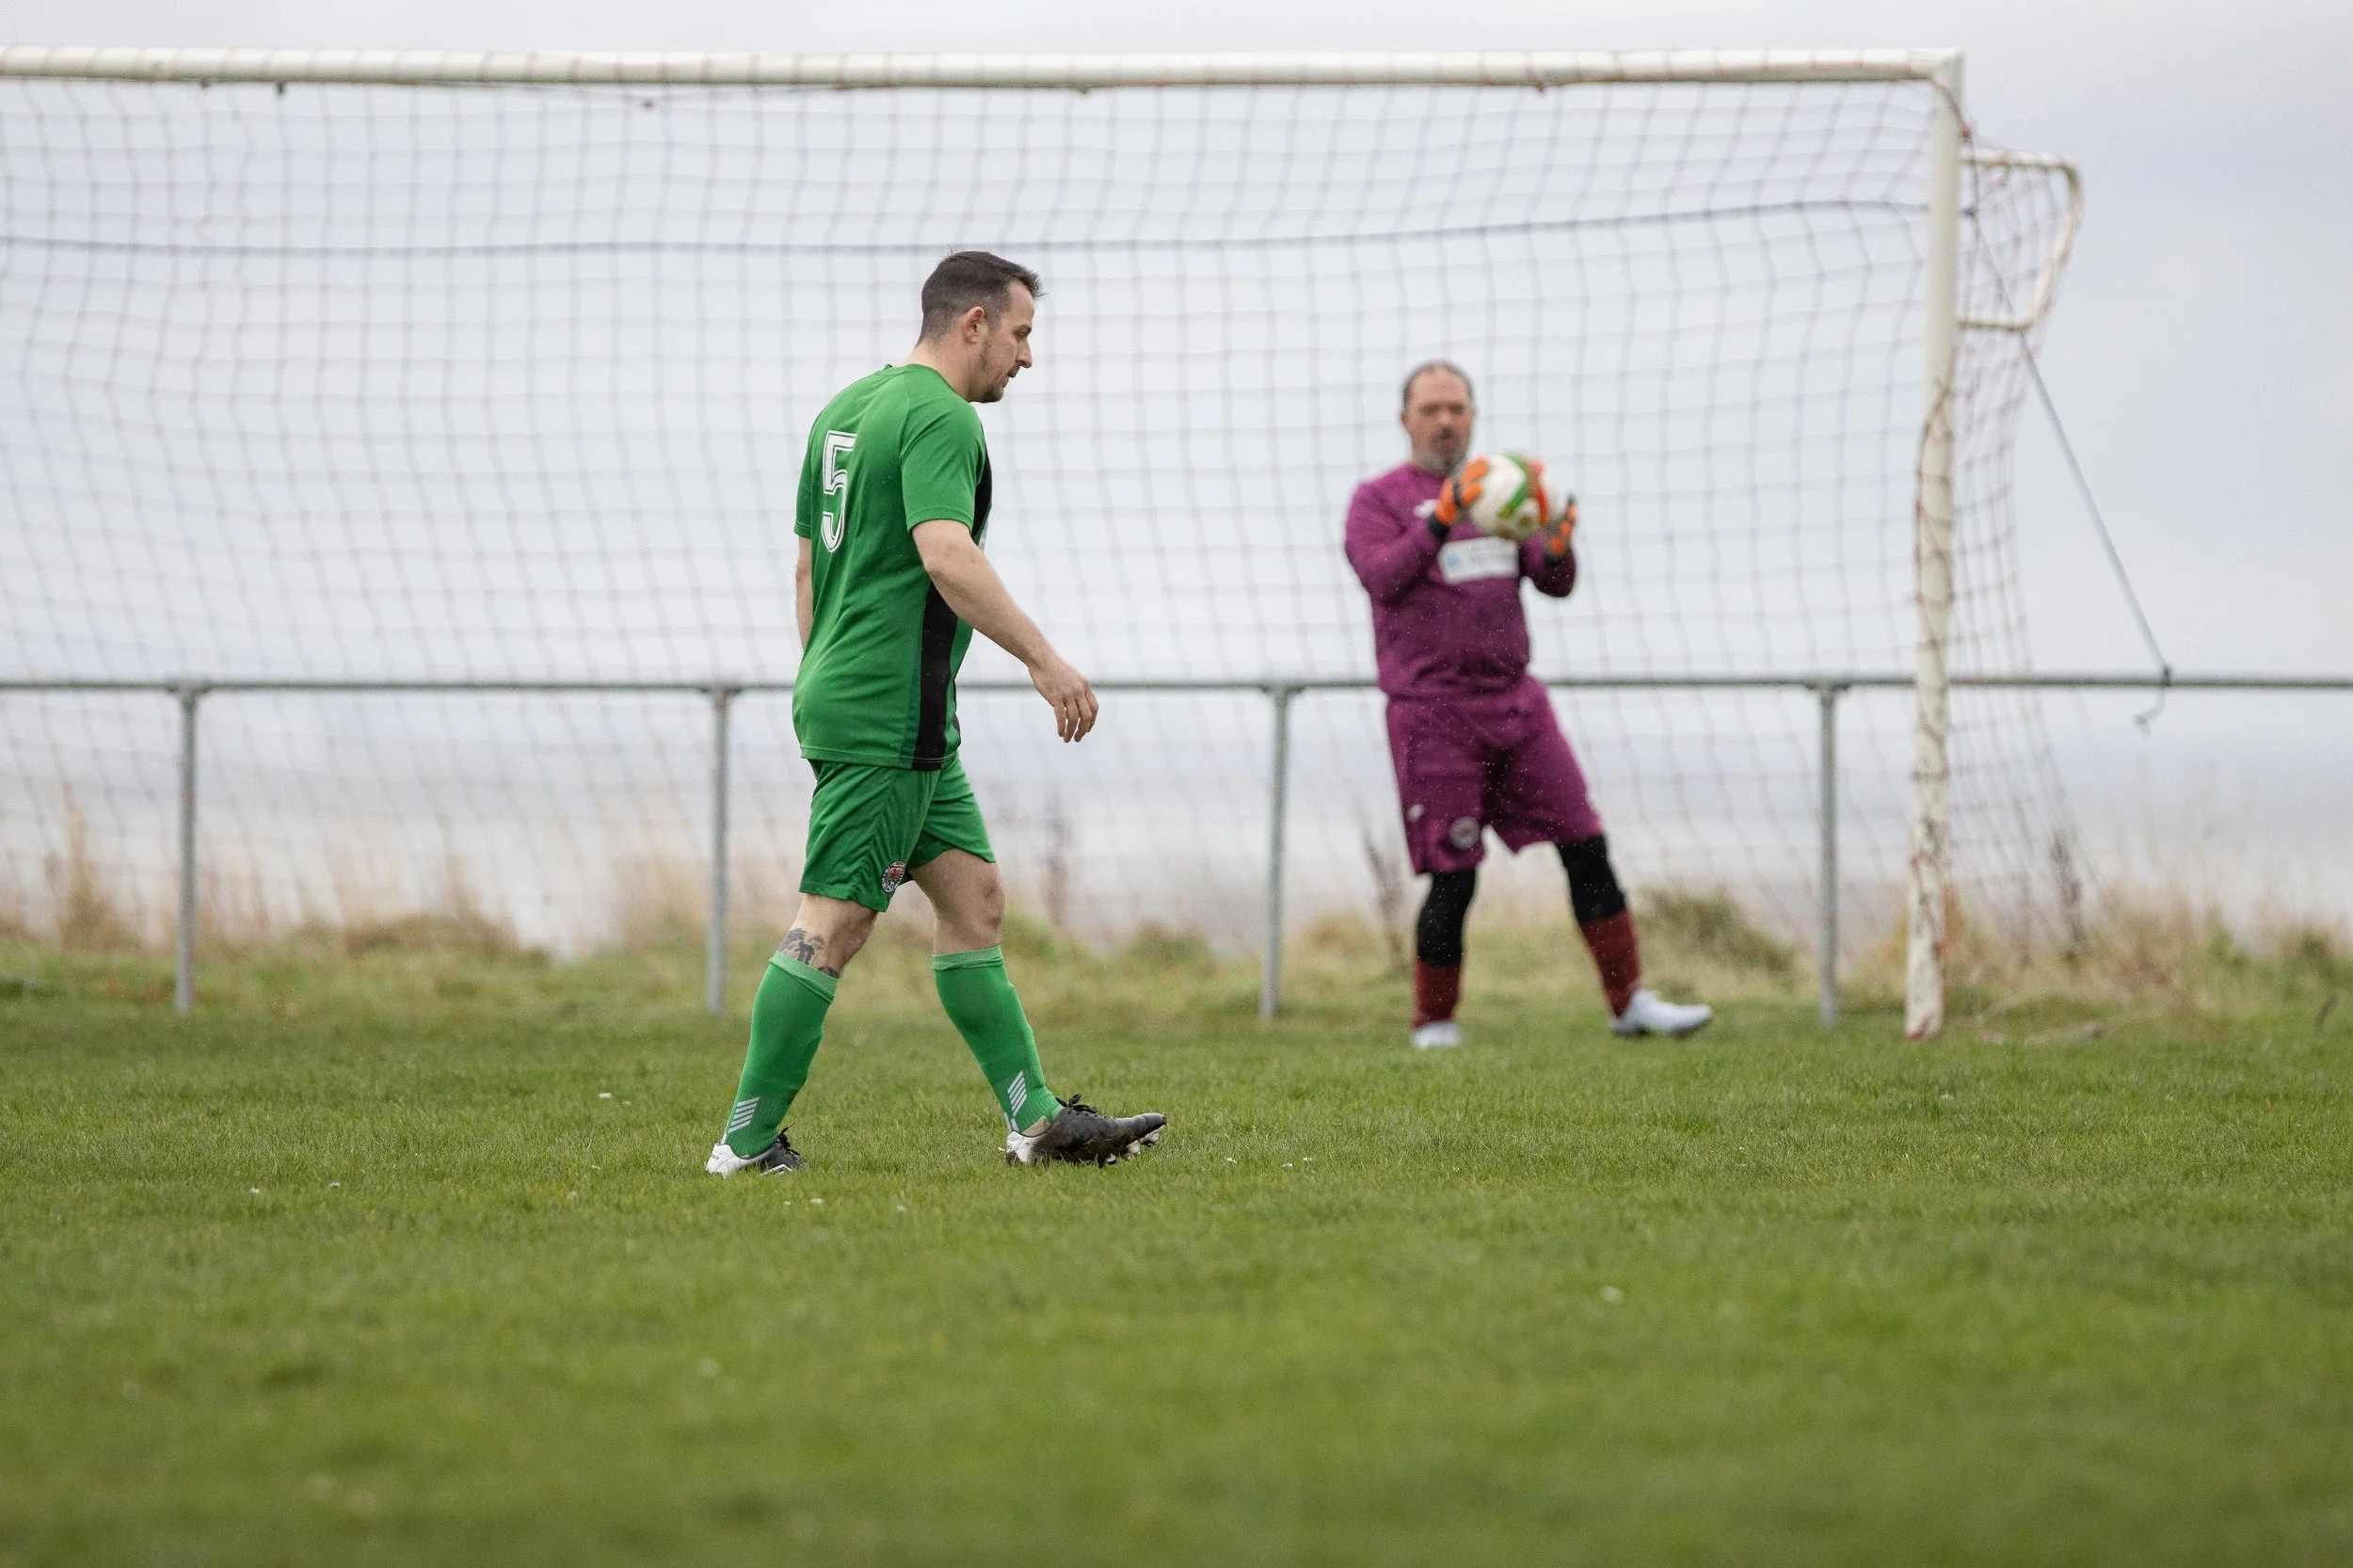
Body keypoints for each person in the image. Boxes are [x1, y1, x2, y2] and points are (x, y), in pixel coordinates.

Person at [708, 251, 1166, 1174]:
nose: (1026, 357)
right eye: (1022, 333)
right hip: (885, 712)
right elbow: (945, 554)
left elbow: (806, 568)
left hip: (872, 702)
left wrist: (827, 675)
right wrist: (1047, 661)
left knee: (975, 902)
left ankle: (1034, 1119)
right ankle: (744, 1142)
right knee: (832, 924)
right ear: (973, 324)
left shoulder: (846, 409)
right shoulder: (941, 416)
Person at [1343, 360, 1713, 1048]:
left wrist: (1560, 548)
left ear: (1473, 415)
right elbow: (1381, 578)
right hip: (1432, 713)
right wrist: (1442, 521)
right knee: (1455, 875)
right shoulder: (1379, 501)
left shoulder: (1507, 489)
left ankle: (1629, 1003)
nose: (1445, 420)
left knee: (1586, 845)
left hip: (1517, 704)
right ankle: (1435, 1023)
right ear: (1406, 420)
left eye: (1456, 407)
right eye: (1430, 409)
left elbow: (1553, 580)